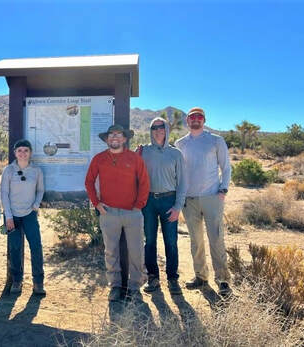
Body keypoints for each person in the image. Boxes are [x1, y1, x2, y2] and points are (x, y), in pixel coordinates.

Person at [85, 124, 150, 302]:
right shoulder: (99, 159)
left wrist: (139, 205)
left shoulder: (134, 158)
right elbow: (89, 182)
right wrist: (97, 204)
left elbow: (144, 182)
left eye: (118, 134)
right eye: (111, 135)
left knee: (136, 251)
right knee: (111, 251)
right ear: (107, 139)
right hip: (109, 213)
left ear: (124, 138)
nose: (114, 137)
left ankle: (135, 287)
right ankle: (115, 286)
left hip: (133, 213)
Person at [175, 107, 233, 297]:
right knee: (196, 241)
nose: (196, 120)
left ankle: (223, 280)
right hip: (189, 199)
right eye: (192, 117)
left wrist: (223, 189)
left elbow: (226, 167)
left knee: (216, 239)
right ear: (187, 121)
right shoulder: (180, 144)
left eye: (199, 117)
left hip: (212, 197)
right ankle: (201, 276)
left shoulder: (215, 140)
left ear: (204, 120)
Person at [137, 117, 186, 295]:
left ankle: (172, 279)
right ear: (150, 131)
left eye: (161, 127)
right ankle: (153, 278)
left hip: (169, 200)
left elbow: (182, 183)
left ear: (166, 129)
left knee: (171, 242)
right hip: (148, 201)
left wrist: (178, 206)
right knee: (149, 241)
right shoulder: (143, 151)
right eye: (154, 128)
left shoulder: (176, 154)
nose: (157, 130)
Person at [0, 139, 46, 295]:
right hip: (13, 215)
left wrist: (36, 205)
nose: (23, 153)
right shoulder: (8, 170)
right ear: (15, 153)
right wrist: (8, 216)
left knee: (36, 247)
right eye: (19, 150)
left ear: (30, 153)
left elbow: (40, 190)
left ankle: (38, 282)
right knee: (15, 248)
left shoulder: (36, 171)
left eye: (26, 150)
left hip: (29, 215)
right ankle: (17, 281)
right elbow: (4, 193)